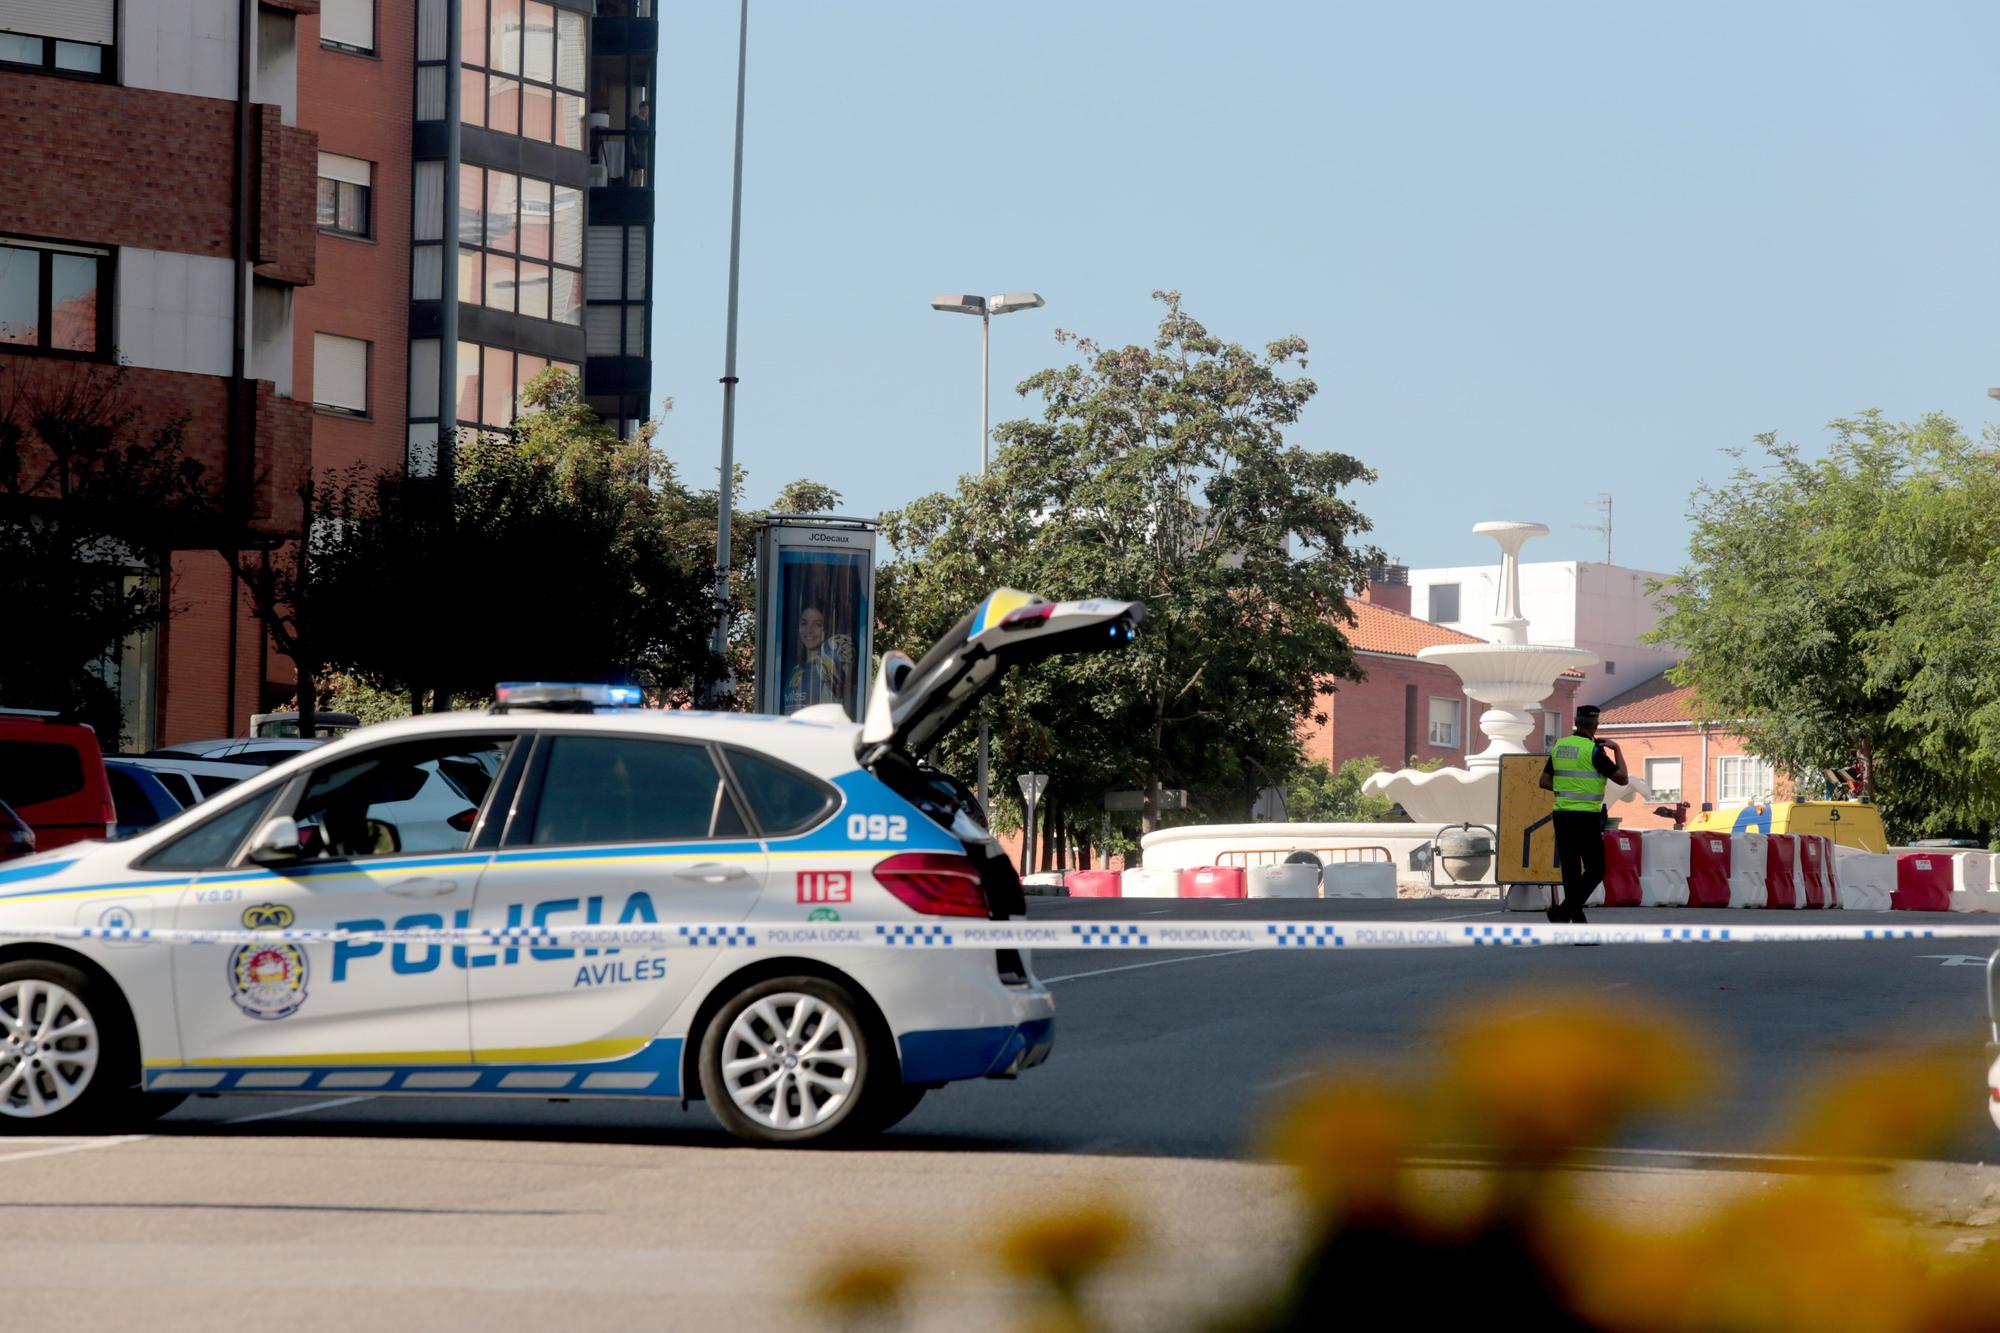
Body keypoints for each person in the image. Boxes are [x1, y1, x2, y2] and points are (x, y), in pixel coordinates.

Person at [1538, 704, 1629, 924]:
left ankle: (1577, 923)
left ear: (1576, 723)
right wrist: (1617, 749)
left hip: (1562, 815)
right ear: (1595, 725)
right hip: (1586, 817)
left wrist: (1567, 791)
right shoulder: (1594, 751)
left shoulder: (1560, 747)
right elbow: (1623, 779)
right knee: (1596, 869)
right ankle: (1564, 911)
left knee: (1570, 869)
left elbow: (1544, 781)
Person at [782, 605, 853, 713]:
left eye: (818, 624)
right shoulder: (796, 669)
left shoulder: (830, 668)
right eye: (804, 623)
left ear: (827, 629)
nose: (809, 630)